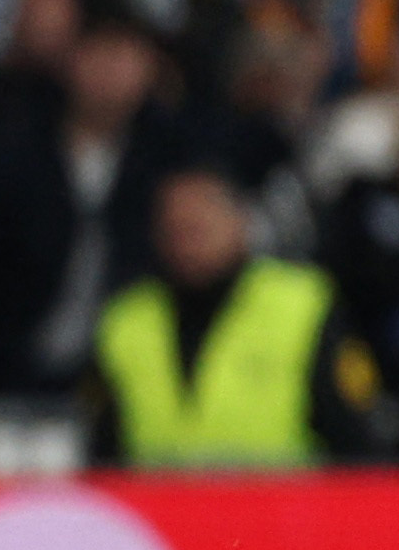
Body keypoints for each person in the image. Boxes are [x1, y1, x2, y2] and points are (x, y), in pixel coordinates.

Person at [87, 168, 379, 466]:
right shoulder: (127, 320)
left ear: (239, 222)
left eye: (198, 229)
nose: (186, 245)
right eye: (174, 230)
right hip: (153, 509)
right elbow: (102, 449)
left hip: (277, 507)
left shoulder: (301, 306)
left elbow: (356, 442)